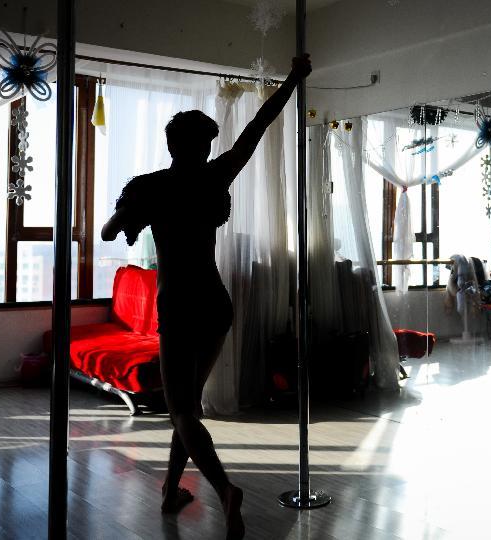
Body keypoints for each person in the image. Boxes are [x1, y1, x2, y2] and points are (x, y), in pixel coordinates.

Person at [101, 55, 312, 539]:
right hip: (215, 304)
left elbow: (113, 232)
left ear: (171, 144)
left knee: (180, 409)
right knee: (188, 405)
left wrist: (126, 217)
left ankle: (224, 490)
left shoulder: (149, 186)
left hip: (178, 306)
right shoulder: (215, 176)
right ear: (203, 146)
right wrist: (293, 80)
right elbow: (259, 125)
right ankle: (171, 490)